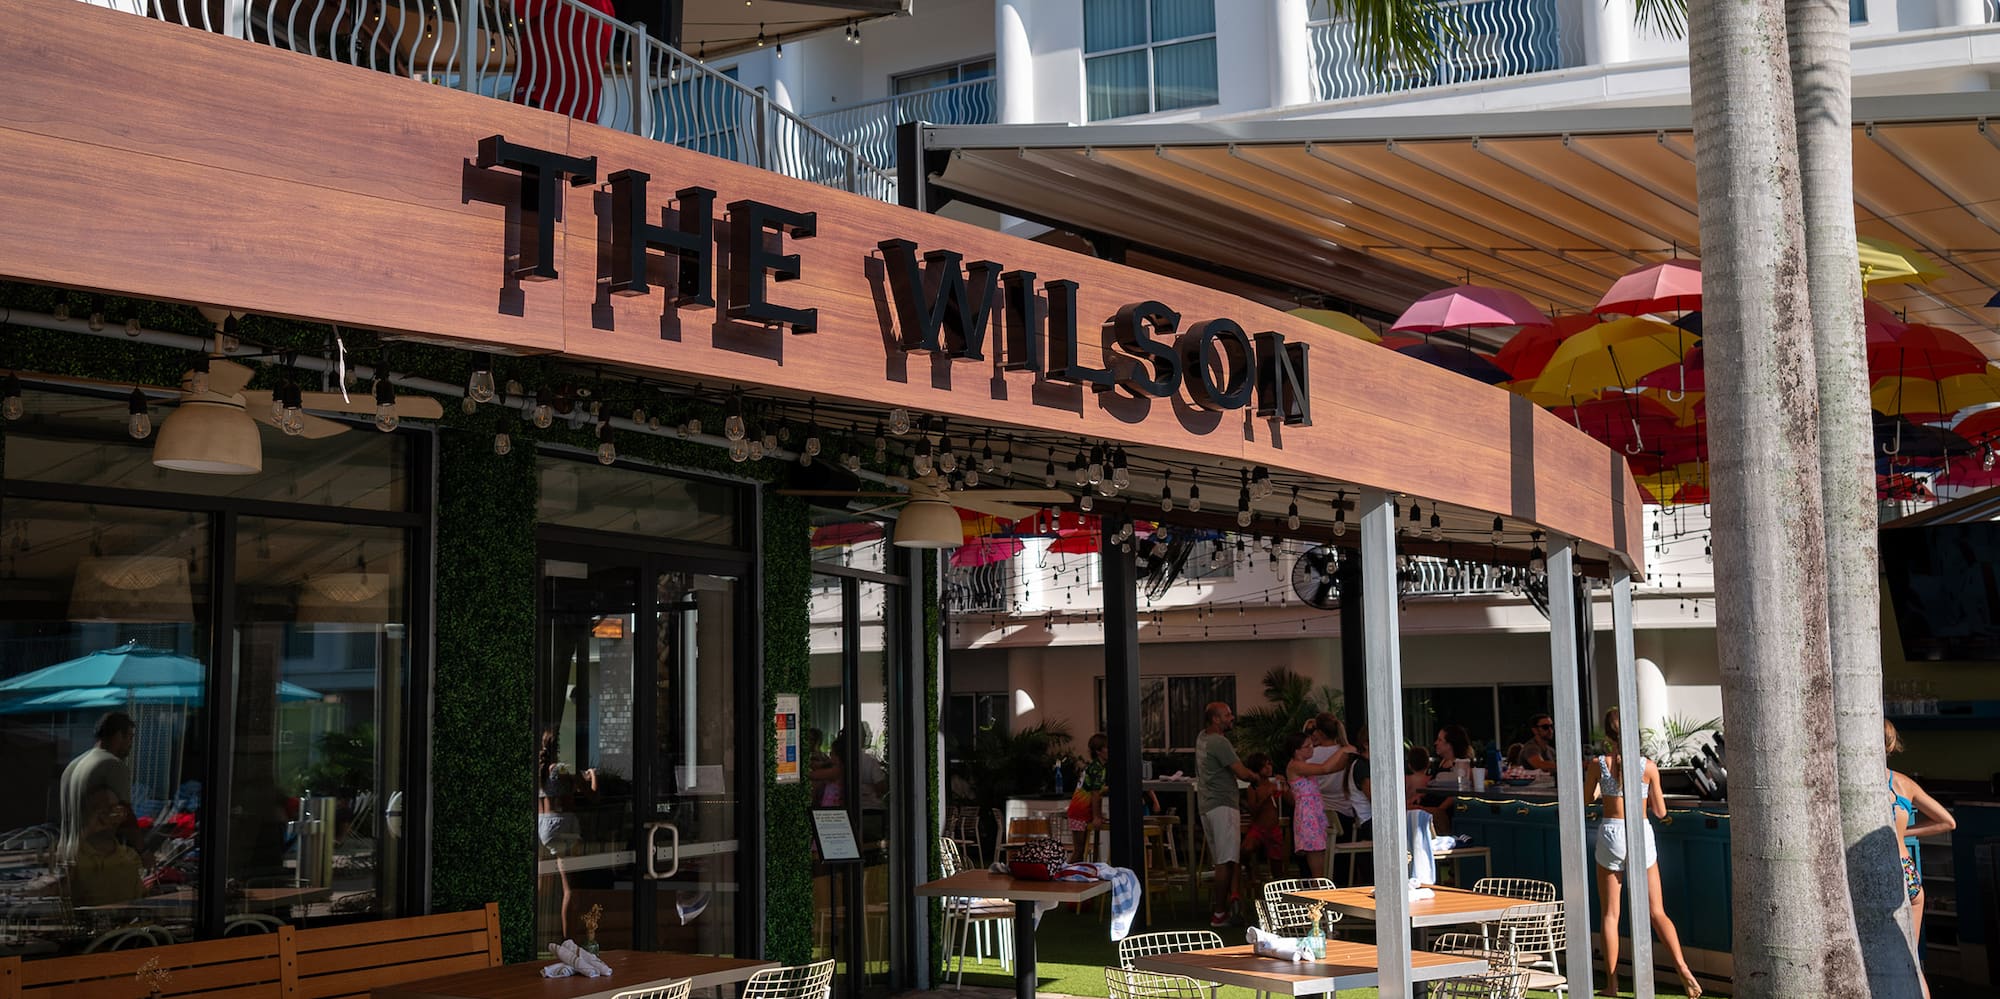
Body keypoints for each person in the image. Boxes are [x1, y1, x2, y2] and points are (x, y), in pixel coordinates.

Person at [1588, 707, 1700, 998]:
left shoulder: (1598, 764)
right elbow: (1660, 812)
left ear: (1607, 734)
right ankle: (1682, 969)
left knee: (1611, 914)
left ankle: (1612, 986)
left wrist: (1602, 792)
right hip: (1641, 832)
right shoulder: (1648, 766)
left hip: (1612, 833)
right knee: (1657, 911)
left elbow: (1587, 798)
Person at [1887, 719, 1956, 999]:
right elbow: (1947, 822)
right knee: (1912, 962)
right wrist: (1902, 833)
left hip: (1886, 874)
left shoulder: (1857, 785)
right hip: (1909, 874)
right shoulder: (1903, 784)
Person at [1195, 701, 1257, 927]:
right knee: (1226, 860)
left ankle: (1228, 907)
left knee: (1224, 859)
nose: (1232, 717)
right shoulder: (1219, 742)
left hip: (1207, 805)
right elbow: (1241, 772)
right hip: (1222, 805)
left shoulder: (1202, 738)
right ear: (1215, 719)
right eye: (1227, 714)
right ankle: (1220, 913)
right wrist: (1259, 777)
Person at [59, 712, 145, 868]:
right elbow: (126, 817)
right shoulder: (112, 765)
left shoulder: (74, 765)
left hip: (67, 855)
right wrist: (143, 851)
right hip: (97, 860)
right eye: (130, 737)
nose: (131, 744)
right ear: (119, 735)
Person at [537, 727, 595, 940]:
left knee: (542, 886)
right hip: (563, 826)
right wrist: (593, 776)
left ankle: (535, 936)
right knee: (570, 890)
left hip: (542, 825)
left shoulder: (539, 769)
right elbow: (592, 796)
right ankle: (569, 941)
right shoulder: (562, 769)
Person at [1284, 733, 1347, 880]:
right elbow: (1325, 768)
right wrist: (1342, 750)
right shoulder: (1296, 766)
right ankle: (1319, 898)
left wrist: (1345, 754)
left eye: (1311, 745)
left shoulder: (1303, 765)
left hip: (1314, 812)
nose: (1311, 749)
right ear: (1296, 750)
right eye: (1307, 746)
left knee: (1323, 866)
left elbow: (1332, 768)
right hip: (1308, 815)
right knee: (1318, 870)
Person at [69, 787, 143, 906]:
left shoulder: (129, 857)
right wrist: (89, 830)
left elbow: (139, 902)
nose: (111, 817)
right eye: (102, 812)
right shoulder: (72, 856)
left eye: (115, 810)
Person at [1239, 752, 1289, 892]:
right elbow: (1253, 810)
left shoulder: (1274, 784)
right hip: (1259, 827)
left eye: (1269, 764)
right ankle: (1248, 870)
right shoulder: (1253, 788)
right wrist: (1264, 798)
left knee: (1277, 863)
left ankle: (1279, 889)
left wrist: (1284, 786)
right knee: (1246, 848)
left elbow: (1286, 798)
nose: (1269, 768)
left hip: (1273, 829)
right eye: (1264, 766)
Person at [1068, 733, 1109, 860]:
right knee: (1079, 850)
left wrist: (1098, 815)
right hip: (1079, 811)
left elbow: (1099, 793)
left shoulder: (1100, 767)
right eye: (1107, 747)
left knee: (1082, 849)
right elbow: (1095, 793)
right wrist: (1096, 817)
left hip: (1084, 810)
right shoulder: (1096, 768)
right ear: (1098, 751)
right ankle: (1064, 875)